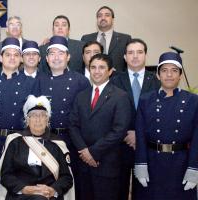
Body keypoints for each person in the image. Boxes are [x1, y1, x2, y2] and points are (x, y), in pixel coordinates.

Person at [134, 52, 198, 200]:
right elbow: (140, 135)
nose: (169, 74)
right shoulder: (146, 100)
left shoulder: (193, 101)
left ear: (180, 75)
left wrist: (194, 168)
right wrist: (141, 164)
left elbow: (196, 138)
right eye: (164, 70)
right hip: (152, 163)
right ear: (158, 75)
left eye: (174, 70)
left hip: (180, 164)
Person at [69, 53, 131, 200]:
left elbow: (119, 130)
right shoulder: (81, 96)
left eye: (102, 67)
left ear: (110, 71)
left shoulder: (120, 96)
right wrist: (84, 151)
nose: (97, 71)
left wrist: (93, 152)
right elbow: (73, 125)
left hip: (106, 164)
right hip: (83, 164)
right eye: (93, 67)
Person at [0, 37, 39, 200]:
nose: (12, 58)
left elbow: (35, 117)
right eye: (8, 54)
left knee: (18, 184)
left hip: (19, 142)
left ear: (21, 59)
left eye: (16, 55)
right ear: (0, 58)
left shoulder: (30, 82)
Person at [38, 35, 90, 199]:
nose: (56, 57)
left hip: (73, 141)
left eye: (61, 53)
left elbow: (87, 115)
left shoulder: (81, 81)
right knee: (47, 182)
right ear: (46, 58)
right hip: (46, 140)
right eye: (52, 53)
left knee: (73, 183)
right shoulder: (40, 80)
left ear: (68, 57)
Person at [0, 95, 74, 200]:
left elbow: (66, 178)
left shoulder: (57, 144)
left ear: (47, 120)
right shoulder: (15, 141)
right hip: (21, 195)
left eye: (42, 115)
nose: (38, 119)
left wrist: (53, 190)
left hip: (48, 195)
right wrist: (23, 188)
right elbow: (6, 176)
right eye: (33, 115)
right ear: (27, 120)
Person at [110, 38, 160, 200]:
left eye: (139, 52)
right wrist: (126, 134)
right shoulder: (115, 81)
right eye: (130, 53)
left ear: (145, 55)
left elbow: (159, 115)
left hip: (147, 145)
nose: (135, 56)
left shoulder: (157, 82)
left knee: (145, 190)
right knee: (119, 190)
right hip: (121, 145)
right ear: (124, 57)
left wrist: (139, 134)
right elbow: (111, 113)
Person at [81, 6, 131, 72]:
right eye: (100, 16)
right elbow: (82, 63)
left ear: (112, 19)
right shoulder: (86, 38)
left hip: (118, 80)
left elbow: (129, 63)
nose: (103, 18)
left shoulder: (125, 39)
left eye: (107, 15)